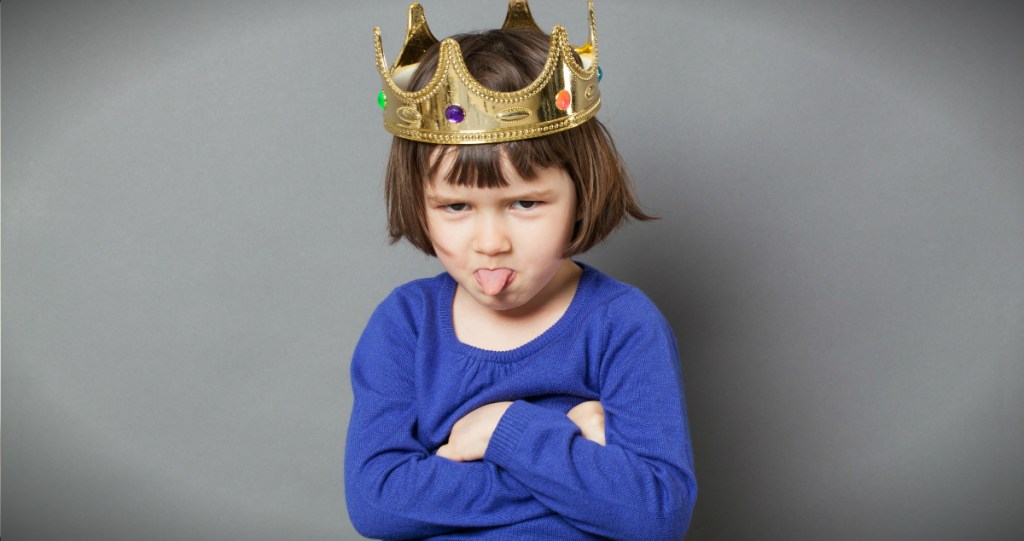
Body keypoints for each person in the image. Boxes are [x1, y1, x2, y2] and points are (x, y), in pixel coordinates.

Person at [345, 1, 697, 538]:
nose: (491, 243)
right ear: (418, 203)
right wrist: (565, 447)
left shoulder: (623, 324)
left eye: (525, 203)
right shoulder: (406, 324)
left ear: (582, 194)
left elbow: (655, 513)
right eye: (455, 206)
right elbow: (378, 502)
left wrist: (501, 430)